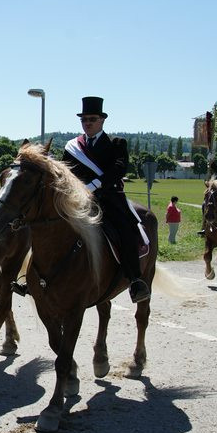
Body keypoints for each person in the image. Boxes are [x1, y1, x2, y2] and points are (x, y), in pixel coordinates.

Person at [61, 96, 151, 303]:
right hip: (79, 201)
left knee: (125, 229)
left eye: (92, 119)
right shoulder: (72, 147)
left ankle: (135, 279)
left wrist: (93, 185)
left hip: (109, 198)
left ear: (102, 120)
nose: (87, 123)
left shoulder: (117, 143)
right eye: (84, 119)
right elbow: (66, 172)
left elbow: (118, 169)